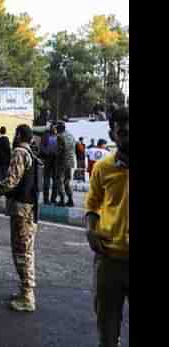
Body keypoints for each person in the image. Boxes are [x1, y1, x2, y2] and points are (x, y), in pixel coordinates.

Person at [85, 108, 128, 347]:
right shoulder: (103, 167)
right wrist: (90, 229)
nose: (128, 136)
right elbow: (92, 204)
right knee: (107, 332)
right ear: (113, 135)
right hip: (109, 261)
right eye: (122, 131)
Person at [0, 124, 41, 312]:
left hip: (22, 210)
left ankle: (27, 296)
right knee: (24, 249)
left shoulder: (20, 152)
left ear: (19, 135)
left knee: (22, 251)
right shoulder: (31, 152)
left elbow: (11, 181)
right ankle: (24, 290)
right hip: (28, 208)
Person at [54, 121, 76, 207]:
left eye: (57, 128)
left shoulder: (60, 136)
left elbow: (59, 151)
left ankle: (62, 200)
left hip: (62, 162)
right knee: (67, 181)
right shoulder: (71, 135)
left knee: (59, 180)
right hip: (71, 162)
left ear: (59, 128)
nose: (56, 129)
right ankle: (70, 200)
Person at [40, 125, 58, 206]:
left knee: (52, 180)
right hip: (51, 160)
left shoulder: (46, 136)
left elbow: (42, 147)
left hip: (51, 160)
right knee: (51, 180)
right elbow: (42, 147)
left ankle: (49, 199)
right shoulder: (57, 137)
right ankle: (50, 199)